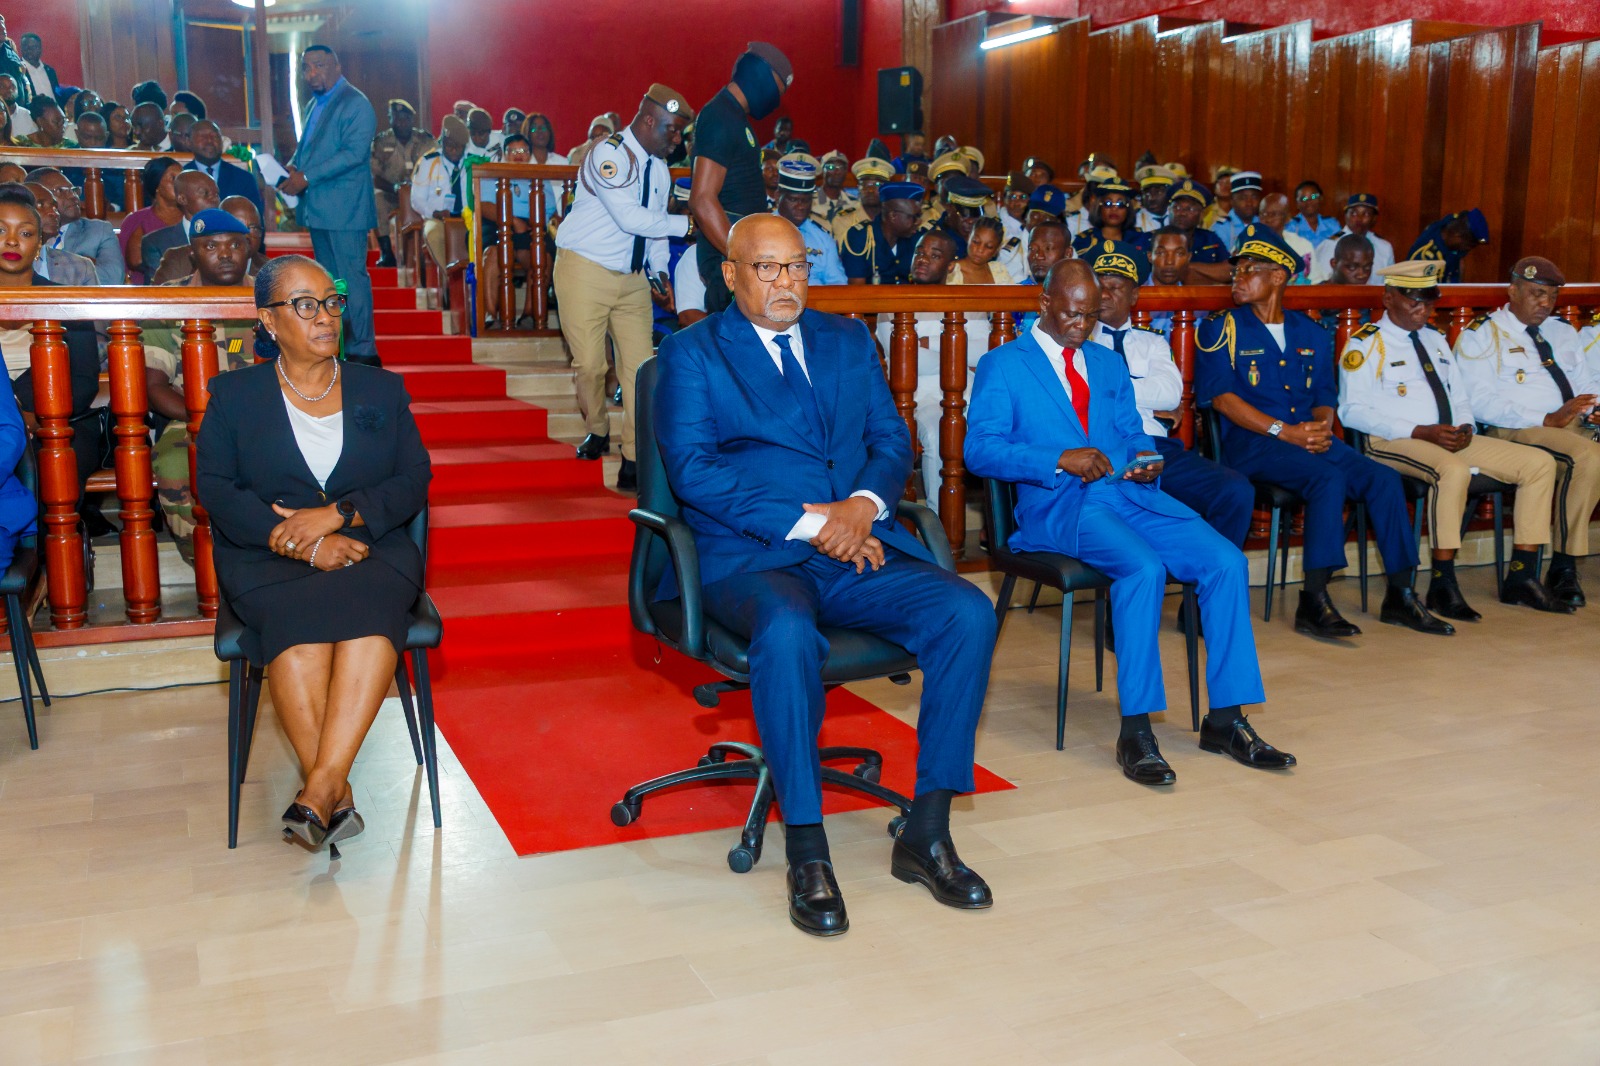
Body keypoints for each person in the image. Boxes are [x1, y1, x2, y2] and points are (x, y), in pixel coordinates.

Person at [655, 214, 997, 936]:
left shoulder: (845, 340)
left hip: (859, 545)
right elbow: (696, 475)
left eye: (797, 267)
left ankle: (926, 832)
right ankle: (807, 852)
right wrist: (819, 523)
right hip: (751, 554)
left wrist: (864, 508)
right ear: (731, 273)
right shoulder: (692, 355)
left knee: (967, 612)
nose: (786, 283)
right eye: (767, 268)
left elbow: (888, 437)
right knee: (785, 633)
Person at [967, 258, 1295, 787]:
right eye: (1072, 314)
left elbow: (1130, 429)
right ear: (1044, 304)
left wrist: (1147, 459)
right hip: (1062, 505)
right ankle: (1136, 731)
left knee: (1226, 562)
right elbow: (980, 450)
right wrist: (1059, 458)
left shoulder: (1106, 362)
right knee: (1142, 570)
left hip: (1129, 494)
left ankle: (1227, 720)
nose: (1081, 325)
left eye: (1090, 316)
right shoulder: (1004, 365)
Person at [196, 255, 430, 854]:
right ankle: (334, 794)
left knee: (371, 613)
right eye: (305, 305)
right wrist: (309, 547)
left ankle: (320, 790)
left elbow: (413, 479)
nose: (325, 316)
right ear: (268, 320)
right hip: (267, 553)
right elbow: (218, 490)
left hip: (370, 546)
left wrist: (338, 516)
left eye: (332, 301)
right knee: (297, 627)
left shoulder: (381, 387)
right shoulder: (233, 396)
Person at [1197, 224, 1450, 639]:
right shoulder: (1221, 328)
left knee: (1384, 479)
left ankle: (1401, 595)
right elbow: (1222, 399)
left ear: (1278, 276)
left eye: (1248, 270)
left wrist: (1320, 424)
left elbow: (1324, 393)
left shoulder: (1311, 332)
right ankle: (1313, 600)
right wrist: (1287, 432)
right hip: (1253, 445)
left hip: (1307, 440)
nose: (1237, 278)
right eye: (1236, 270)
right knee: (1327, 478)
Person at [1339, 261, 1568, 619]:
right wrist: (1419, 431)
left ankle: (1521, 575)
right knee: (1454, 471)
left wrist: (1464, 427)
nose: (1424, 309)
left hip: (1447, 436)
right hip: (1393, 440)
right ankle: (1442, 583)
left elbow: (1460, 396)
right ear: (1388, 298)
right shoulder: (1366, 344)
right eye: (1414, 301)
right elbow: (1351, 411)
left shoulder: (1436, 339)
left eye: (1429, 302)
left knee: (1538, 463)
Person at [553, 84, 694, 490]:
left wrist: (660, 270)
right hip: (585, 272)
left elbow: (654, 231)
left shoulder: (662, 170)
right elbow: (630, 218)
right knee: (592, 366)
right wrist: (688, 223)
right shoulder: (608, 154)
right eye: (671, 130)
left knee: (638, 371)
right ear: (649, 120)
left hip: (632, 281)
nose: (676, 140)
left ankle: (633, 459)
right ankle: (597, 428)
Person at [1454, 256, 1600, 608]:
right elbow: (1479, 402)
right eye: (1536, 294)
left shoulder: (1562, 331)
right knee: (1588, 457)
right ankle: (1564, 568)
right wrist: (1547, 417)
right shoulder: (1482, 335)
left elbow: (1586, 382)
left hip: (1570, 425)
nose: (1545, 304)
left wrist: (1595, 409)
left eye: (1551, 296)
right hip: (1517, 429)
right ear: (1513, 290)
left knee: (1588, 453)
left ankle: (1551, 567)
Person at [1089, 240, 1254, 545]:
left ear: (1135, 295)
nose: (1105, 294)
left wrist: (1108, 388)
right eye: (1100, 286)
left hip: (1158, 448)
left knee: (1235, 489)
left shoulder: (1152, 342)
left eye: (1115, 287)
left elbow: (1169, 395)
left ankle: (1209, 580)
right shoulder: (1078, 342)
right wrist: (1142, 395)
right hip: (1103, 450)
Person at [140, 209, 257, 563]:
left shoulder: (274, 296)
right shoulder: (167, 301)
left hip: (268, 420)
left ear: (249, 248)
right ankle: (208, 568)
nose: (224, 254)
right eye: (211, 246)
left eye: (235, 244)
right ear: (193, 253)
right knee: (176, 467)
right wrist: (205, 421)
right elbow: (154, 386)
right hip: (191, 420)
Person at [280, 45, 380, 367]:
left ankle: (363, 350)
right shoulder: (314, 104)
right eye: (307, 68)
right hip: (320, 208)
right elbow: (308, 148)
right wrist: (293, 168)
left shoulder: (356, 103)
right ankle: (340, 346)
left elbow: (353, 154)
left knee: (350, 277)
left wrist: (305, 177)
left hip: (346, 207)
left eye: (319, 66)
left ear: (337, 65)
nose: (312, 74)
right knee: (331, 283)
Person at [0, 184, 102, 497]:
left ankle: (47, 547)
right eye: (0, 230)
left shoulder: (65, 300)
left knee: (57, 466)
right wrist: (13, 414)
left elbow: (84, 379)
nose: (13, 241)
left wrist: (39, 414)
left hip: (59, 417)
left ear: (41, 243)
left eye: (27, 233)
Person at [874, 229, 990, 505]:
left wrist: (927, 341)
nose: (923, 259)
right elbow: (906, 362)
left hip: (971, 392)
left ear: (950, 265)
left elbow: (983, 353)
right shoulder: (892, 302)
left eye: (934, 255)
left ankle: (1001, 524)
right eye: (920, 252)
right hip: (919, 397)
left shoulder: (967, 301)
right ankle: (941, 531)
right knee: (941, 434)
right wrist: (955, 346)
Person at [690, 42, 793, 314]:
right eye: (777, 91)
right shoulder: (720, 116)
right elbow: (702, 199)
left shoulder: (734, 117)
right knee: (733, 351)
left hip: (740, 255)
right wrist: (742, 255)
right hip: (732, 260)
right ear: (759, 75)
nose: (776, 101)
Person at [476, 133, 539, 325]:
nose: (518, 155)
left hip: (530, 228)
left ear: (529, 154)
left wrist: (526, 223)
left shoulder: (539, 176)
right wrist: (511, 220)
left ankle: (529, 315)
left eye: (523, 151)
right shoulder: (491, 173)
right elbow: (485, 206)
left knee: (541, 257)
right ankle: (490, 315)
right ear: (504, 153)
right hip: (495, 225)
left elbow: (549, 209)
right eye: (513, 151)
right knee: (493, 254)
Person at [369, 99, 436, 267]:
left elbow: (437, 166)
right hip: (392, 194)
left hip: (421, 193)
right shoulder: (381, 142)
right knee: (376, 198)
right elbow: (374, 176)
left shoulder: (425, 140)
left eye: (405, 118)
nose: (401, 123)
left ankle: (428, 250)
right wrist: (394, 188)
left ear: (412, 120)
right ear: (391, 119)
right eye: (397, 118)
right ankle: (386, 252)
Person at [28, 169, 124, 284]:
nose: (73, 196)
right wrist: (80, 265)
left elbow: (112, 280)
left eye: (74, 190)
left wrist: (80, 264)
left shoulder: (99, 230)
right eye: (60, 191)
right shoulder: (22, 237)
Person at [408, 115, 469, 274]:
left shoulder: (472, 163)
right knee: (433, 234)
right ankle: (452, 277)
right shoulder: (429, 162)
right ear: (442, 143)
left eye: (458, 146)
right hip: (438, 219)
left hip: (468, 219)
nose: (454, 150)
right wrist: (434, 213)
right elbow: (416, 199)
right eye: (449, 145)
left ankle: (474, 278)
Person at [772, 156, 845, 286]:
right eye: (793, 200)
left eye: (806, 201)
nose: (801, 206)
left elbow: (837, 284)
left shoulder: (823, 239)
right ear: (778, 197)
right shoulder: (760, 232)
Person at [140, 170, 219, 281]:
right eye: (205, 193)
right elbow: (156, 292)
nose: (214, 199)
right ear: (182, 199)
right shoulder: (155, 242)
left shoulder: (230, 236)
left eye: (216, 194)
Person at [841, 181, 923, 285]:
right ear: (893, 216)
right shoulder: (860, 238)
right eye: (914, 216)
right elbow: (857, 292)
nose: (918, 222)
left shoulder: (917, 238)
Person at [121, 156, 183, 285]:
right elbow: (128, 263)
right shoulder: (135, 220)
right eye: (173, 178)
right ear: (157, 186)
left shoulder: (192, 217)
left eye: (182, 178)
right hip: (145, 292)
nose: (181, 184)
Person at [185, 118, 264, 217]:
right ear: (188, 142)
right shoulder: (182, 177)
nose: (209, 141)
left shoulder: (243, 178)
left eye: (214, 136)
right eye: (203, 137)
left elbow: (256, 219)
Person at [24, 180, 97, 286]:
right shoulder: (6, 262)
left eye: (55, 207)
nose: (53, 213)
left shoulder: (80, 267)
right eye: (40, 204)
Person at [1310, 193, 1394, 283]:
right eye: (1353, 213)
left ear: (1374, 218)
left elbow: (1389, 284)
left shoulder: (1384, 247)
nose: (1359, 218)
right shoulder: (1330, 244)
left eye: (1366, 214)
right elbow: (1322, 282)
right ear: (1345, 216)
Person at [1168, 179, 1229, 282]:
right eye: (1177, 207)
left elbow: (1229, 270)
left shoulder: (1210, 239)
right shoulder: (1154, 238)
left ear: (1201, 215)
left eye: (1190, 209)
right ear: (1169, 210)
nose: (1182, 213)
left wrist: (1190, 267)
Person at [1408, 208, 1489, 284]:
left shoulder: (1451, 226)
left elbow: (1459, 261)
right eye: (1468, 245)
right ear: (1457, 235)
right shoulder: (1426, 258)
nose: (1467, 249)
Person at [1256, 192, 1315, 284]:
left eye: (1273, 214)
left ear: (1287, 218)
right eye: (1263, 214)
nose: (1267, 219)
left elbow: (1317, 283)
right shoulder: (1247, 244)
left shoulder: (1303, 247)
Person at [1143, 227, 1190, 340]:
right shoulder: (1132, 299)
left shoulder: (1197, 304)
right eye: (1161, 253)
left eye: (1179, 253)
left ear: (1188, 258)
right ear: (1150, 256)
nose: (1169, 261)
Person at [828, 156, 889, 242]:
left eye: (877, 185)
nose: (870, 190)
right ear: (858, 188)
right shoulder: (843, 220)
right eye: (865, 185)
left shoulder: (893, 219)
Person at [949, 216, 1011, 285]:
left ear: (996, 251)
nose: (980, 250)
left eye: (988, 246)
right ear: (969, 238)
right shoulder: (951, 272)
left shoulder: (999, 272)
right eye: (976, 242)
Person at [1210, 170, 1262, 250]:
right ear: (1232, 201)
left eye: (1254, 197)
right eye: (1243, 198)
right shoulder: (1220, 229)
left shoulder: (1264, 224)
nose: (1249, 203)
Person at [1287, 180, 1340, 246]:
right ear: (1297, 204)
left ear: (1321, 199)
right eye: (1304, 199)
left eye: (1313, 197)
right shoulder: (1290, 226)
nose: (1309, 201)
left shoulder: (1332, 224)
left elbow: (1339, 248)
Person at [15, 32, 57, 104]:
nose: (29, 50)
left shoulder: (50, 71)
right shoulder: (18, 71)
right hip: (33, 114)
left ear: (40, 48)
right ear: (21, 48)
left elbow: (57, 96)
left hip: (54, 112)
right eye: (25, 47)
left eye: (33, 47)